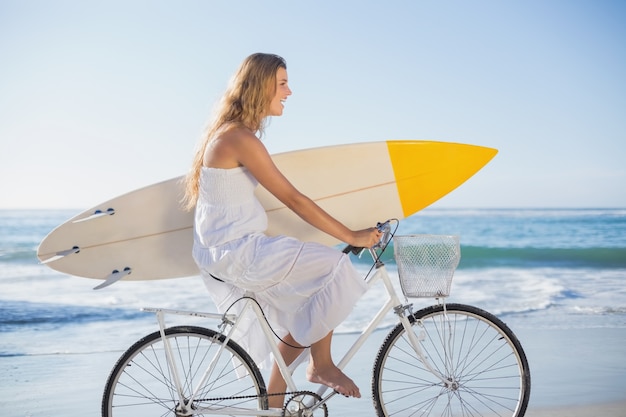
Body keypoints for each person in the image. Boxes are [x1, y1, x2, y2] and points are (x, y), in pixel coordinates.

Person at [183, 53, 381, 408]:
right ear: (262, 87)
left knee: (308, 304)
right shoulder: (240, 139)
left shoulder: (232, 135)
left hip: (231, 250)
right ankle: (320, 366)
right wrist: (351, 236)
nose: (289, 92)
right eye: (283, 84)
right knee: (333, 267)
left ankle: (274, 406)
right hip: (237, 252)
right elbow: (293, 198)